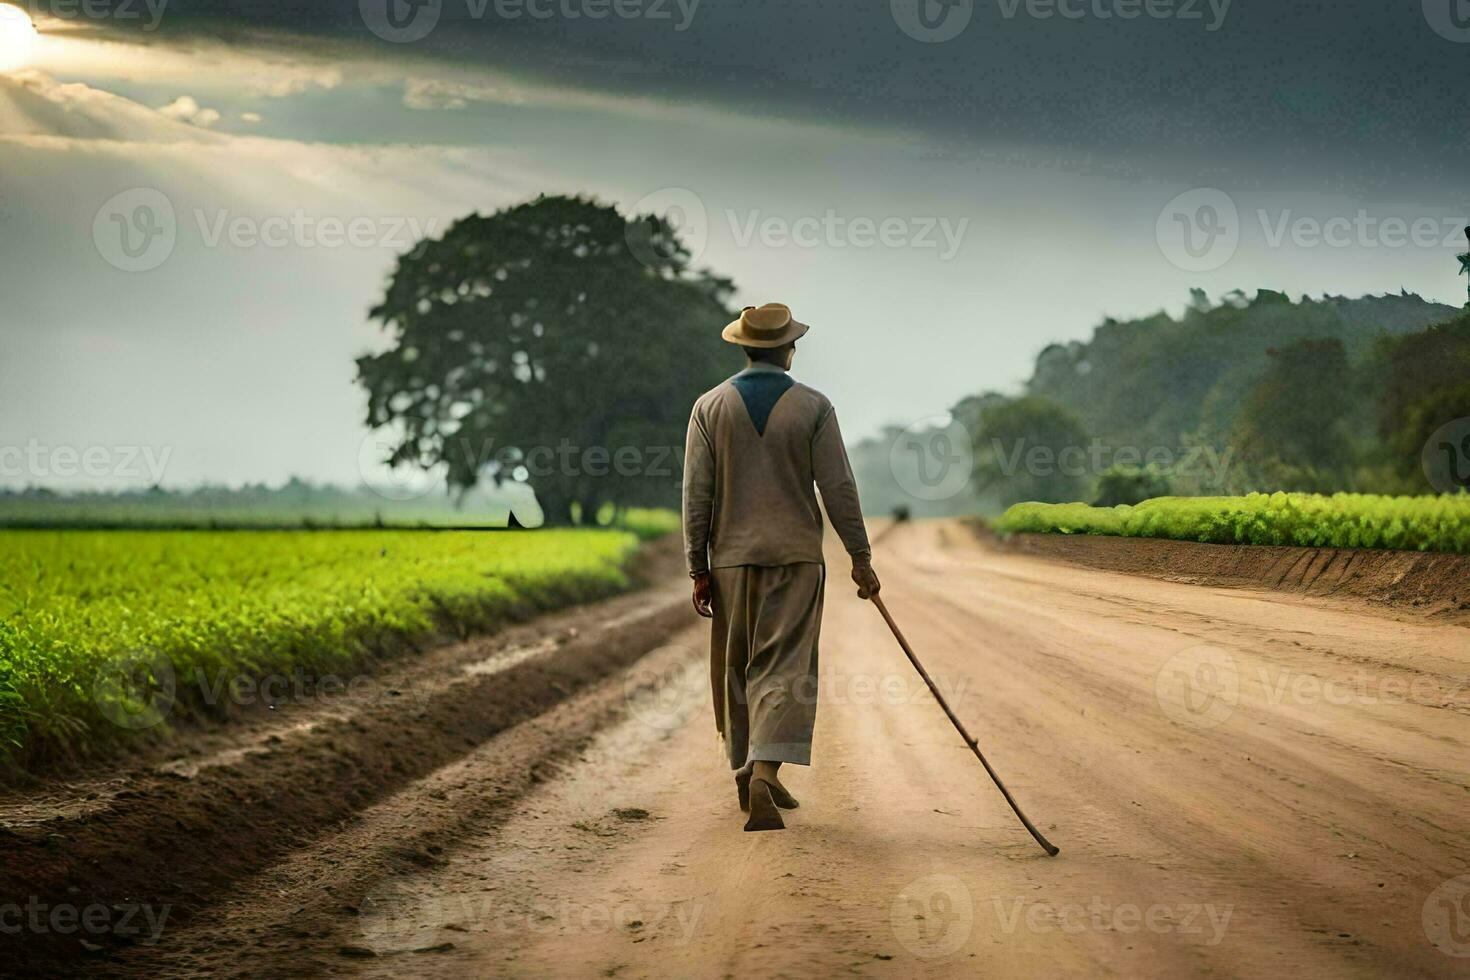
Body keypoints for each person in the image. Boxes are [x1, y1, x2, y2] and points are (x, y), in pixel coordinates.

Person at [681, 302, 880, 832]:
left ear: (745, 347)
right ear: (787, 350)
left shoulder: (709, 407)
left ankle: (751, 769)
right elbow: (838, 487)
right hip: (795, 557)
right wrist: (860, 558)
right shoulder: (813, 407)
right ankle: (765, 768)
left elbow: (696, 495)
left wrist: (696, 566)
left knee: (738, 664)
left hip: (730, 559)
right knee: (784, 666)